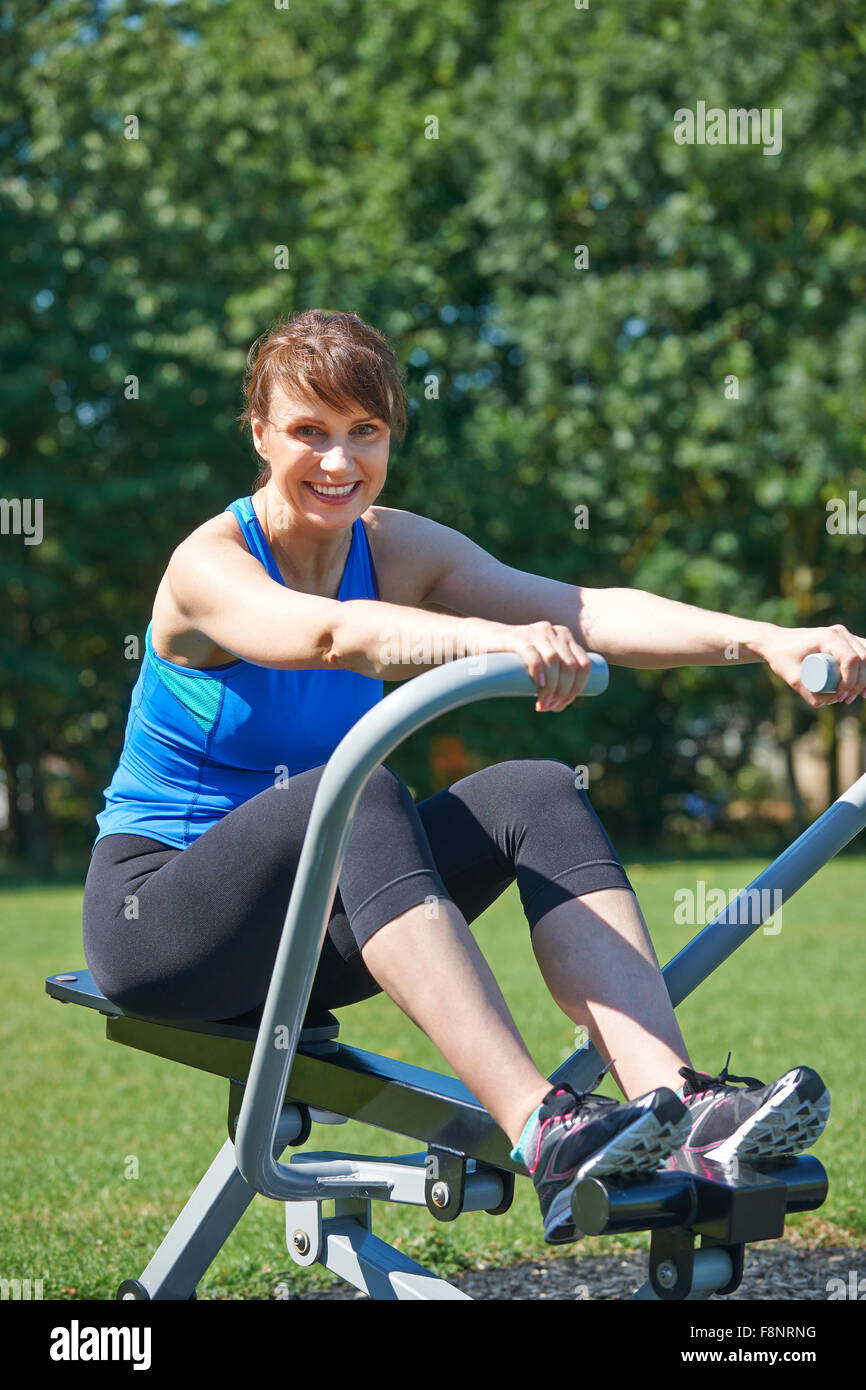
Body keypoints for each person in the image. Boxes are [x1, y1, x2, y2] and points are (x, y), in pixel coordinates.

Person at [83, 309, 859, 1244]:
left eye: (364, 433)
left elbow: (583, 608)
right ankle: (547, 1131)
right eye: (309, 432)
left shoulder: (395, 546)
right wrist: (502, 645)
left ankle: (681, 1106)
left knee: (534, 787)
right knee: (359, 784)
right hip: (161, 923)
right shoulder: (208, 567)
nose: (338, 462)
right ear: (259, 434)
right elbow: (335, 636)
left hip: (306, 937)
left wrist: (769, 638)